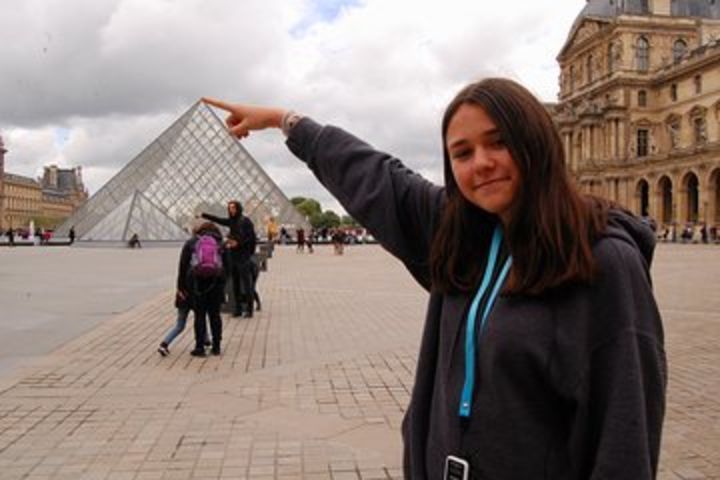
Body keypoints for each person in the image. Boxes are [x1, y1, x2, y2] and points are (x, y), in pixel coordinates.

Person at [201, 77, 666, 479]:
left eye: (498, 141)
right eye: (461, 153)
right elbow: (378, 178)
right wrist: (285, 121)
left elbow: (624, 435)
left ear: (538, 143)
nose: (480, 162)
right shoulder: (460, 235)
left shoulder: (603, 261)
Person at [158, 219, 211, 356]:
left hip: (185, 291)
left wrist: (179, 289)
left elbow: (181, 268)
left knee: (180, 324)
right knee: (201, 317)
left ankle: (164, 344)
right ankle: (206, 340)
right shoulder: (207, 244)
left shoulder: (188, 244)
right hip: (198, 289)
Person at [176, 221, 227, 356]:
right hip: (216, 284)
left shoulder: (191, 242)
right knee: (215, 315)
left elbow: (182, 266)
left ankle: (200, 347)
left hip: (197, 284)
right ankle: (216, 347)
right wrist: (223, 283)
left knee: (200, 316)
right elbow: (228, 266)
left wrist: (181, 287)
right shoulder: (221, 243)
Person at [201, 201, 257, 317]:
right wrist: (203, 215)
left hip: (244, 256)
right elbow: (218, 220)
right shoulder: (231, 221)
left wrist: (238, 244)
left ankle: (249, 309)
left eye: (233, 208)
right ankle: (238, 309)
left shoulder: (245, 221)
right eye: (229, 208)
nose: (231, 210)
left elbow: (251, 238)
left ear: (238, 208)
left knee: (247, 284)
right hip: (233, 255)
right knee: (235, 283)